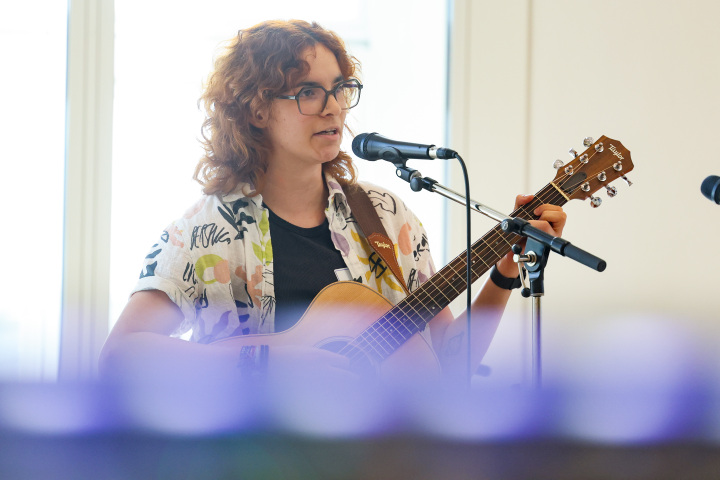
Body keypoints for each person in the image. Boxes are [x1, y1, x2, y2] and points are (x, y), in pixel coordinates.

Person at [98, 20, 566, 388]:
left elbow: (448, 362)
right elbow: (120, 357)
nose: (333, 107)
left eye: (340, 88)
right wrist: (266, 359)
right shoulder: (207, 231)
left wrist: (504, 272)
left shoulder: (387, 218)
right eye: (308, 92)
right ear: (257, 110)